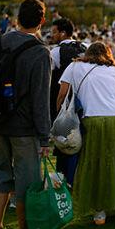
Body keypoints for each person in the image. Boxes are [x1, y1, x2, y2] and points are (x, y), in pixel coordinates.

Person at [0, 0, 51, 229]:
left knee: (2, 176)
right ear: (41, 21)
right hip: (24, 128)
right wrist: (44, 138)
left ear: (17, 17)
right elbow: (40, 99)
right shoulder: (40, 51)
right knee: (27, 181)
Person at [56, 42, 115, 225]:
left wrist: (60, 119)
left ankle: (99, 212)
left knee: (95, 163)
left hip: (93, 119)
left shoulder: (75, 66)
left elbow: (62, 95)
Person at [49, 18, 86, 186]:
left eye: (54, 31)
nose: (51, 34)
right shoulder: (84, 47)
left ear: (62, 32)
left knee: (64, 142)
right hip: (84, 102)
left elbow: (49, 78)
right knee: (81, 141)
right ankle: (77, 176)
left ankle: (64, 178)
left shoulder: (56, 51)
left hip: (64, 102)